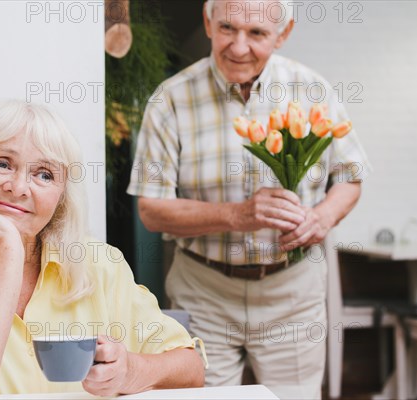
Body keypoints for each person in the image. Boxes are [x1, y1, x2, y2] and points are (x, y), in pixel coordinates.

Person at [127, 1, 371, 399]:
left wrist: (322, 218)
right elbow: (151, 210)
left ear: (283, 33)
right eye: (227, 28)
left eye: (256, 33)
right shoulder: (169, 99)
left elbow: (350, 178)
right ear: (208, 23)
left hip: (292, 294)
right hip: (202, 291)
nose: (239, 47)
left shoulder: (312, 90)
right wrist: (237, 215)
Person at [0, 100, 205, 398]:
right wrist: (8, 251)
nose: (18, 188)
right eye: (2, 163)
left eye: (44, 174)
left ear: (61, 198)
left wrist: (128, 371)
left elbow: (191, 370)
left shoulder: (99, 263)